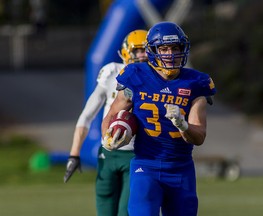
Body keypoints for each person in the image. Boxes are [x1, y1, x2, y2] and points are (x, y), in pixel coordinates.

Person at [101, 21, 216, 216]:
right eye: (164, 48)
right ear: (153, 50)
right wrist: (108, 137)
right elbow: (112, 115)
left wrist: (183, 124)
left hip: (181, 169)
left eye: (175, 48)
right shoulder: (135, 76)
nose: (170, 54)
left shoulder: (197, 83)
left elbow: (199, 136)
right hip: (146, 167)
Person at [63, 29, 148, 216]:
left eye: (146, 50)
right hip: (107, 153)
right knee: (105, 211)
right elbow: (87, 115)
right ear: (126, 52)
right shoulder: (112, 72)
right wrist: (74, 154)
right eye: (138, 50)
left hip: (137, 154)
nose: (142, 55)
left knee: (126, 212)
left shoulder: (155, 78)